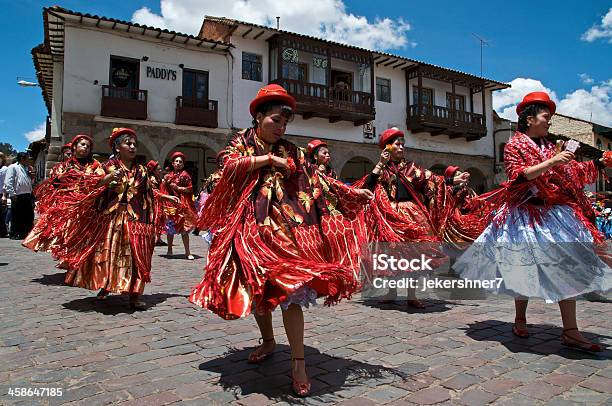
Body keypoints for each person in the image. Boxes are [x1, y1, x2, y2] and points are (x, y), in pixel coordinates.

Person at [189, 84, 372, 397]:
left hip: (285, 229)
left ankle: (298, 362)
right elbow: (230, 166)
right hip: (249, 228)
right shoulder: (243, 142)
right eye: (276, 120)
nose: (281, 127)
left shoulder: (291, 149)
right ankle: (270, 341)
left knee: (291, 288)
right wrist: (267, 162)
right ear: (259, 117)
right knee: (259, 289)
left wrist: (351, 192)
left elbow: (318, 177)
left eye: (285, 123)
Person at [453, 92, 611, 352]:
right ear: (529, 118)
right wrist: (552, 161)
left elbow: (571, 172)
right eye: (546, 116)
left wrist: (598, 161)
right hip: (525, 215)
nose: (549, 121)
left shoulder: (551, 146)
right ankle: (520, 318)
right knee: (522, 267)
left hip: (555, 215)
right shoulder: (515, 145)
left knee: (567, 265)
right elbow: (517, 176)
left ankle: (570, 331)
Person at [46, 128, 178, 309]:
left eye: (134, 144)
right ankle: (107, 285)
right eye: (128, 143)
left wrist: (167, 197)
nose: (132, 147)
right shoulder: (105, 167)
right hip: (111, 220)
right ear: (117, 148)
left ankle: (135, 295)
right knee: (109, 255)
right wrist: (107, 178)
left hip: (135, 221)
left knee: (136, 258)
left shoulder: (142, 170)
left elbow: (149, 192)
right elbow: (88, 185)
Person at [359, 127, 470, 308]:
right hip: (391, 217)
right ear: (387, 148)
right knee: (392, 255)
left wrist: (453, 181)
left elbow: (433, 180)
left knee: (414, 255)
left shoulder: (412, 168)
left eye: (403, 144)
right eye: (397, 144)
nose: (402, 147)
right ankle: (391, 292)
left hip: (412, 214)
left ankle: (412, 295)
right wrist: (380, 164)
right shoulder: (383, 170)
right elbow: (368, 186)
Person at [23, 134, 104, 253]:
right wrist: (61, 179)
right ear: (74, 148)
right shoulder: (63, 167)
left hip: (88, 206)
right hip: (67, 206)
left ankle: (75, 260)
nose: (85, 147)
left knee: (83, 235)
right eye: (82, 144)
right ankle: (66, 256)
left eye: (88, 146)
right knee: (65, 233)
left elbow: (100, 181)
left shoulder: (95, 165)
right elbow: (54, 184)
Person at [161, 151, 197, 259]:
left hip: (183, 206)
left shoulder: (185, 175)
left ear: (183, 164)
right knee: (170, 228)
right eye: (176, 161)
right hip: (171, 205)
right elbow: (164, 190)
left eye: (180, 162)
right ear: (172, 163)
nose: (178, 163)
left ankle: (188, 252)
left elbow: (190, 189)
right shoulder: (168, 176)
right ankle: (169, 250)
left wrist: (179, 188)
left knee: (184, 229)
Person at [4, 152, 34, 240]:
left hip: (27, 195)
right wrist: (12, 194)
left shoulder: (26, 168)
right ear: (22, 159)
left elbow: (28, 182)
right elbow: (8, 181)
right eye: (27, 159)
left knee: (27, 215)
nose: (29, 161)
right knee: (17, 215)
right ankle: (14, 233)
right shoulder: (13, 167)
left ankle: (24, 233)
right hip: (17, 195)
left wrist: (31, 177)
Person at [0, 152, 9, 238]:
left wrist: (4, 195)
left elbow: (5, 183)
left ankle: (3, 231)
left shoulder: (5, 169)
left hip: (1, 193)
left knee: (2, 214)